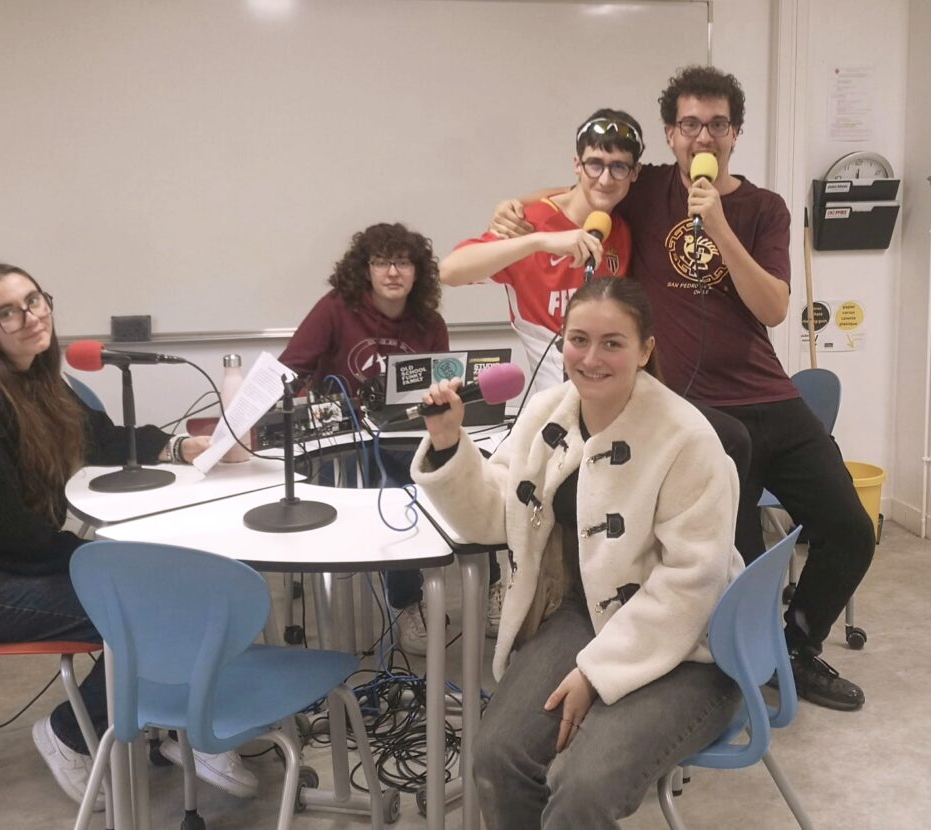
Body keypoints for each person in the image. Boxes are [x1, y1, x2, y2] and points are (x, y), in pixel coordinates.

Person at [489, 65, 874, 711]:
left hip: (769, 395)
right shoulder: (647, 191)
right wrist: (515, 208)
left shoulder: (764, 209)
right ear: (670, 134)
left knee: (852, 529)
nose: (703, 136)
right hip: (695, 413)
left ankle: (795, 648)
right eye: (690, 124)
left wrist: (719, 225)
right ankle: (734, 661)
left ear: (735, 133)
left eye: (717, 125)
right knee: (734, 557)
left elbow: (774, 307)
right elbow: (586, 189)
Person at [0, 264, 257, 809]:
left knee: (178, 588)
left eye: (34, 300)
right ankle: (72, 732)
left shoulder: (39, 379)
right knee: (152, 606)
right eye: (8, 313)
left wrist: (175, 447)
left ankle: (177, 725)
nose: (31, 317)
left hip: (11, 561)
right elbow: (3, 535)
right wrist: (100, 562)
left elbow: (102, 439)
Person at [411, 277, 743, 828]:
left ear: (645, 350)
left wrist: (594, 672)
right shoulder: (549, 411)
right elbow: (499, 513)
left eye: (612, 343)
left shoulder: (688, 438)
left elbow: (692, 583)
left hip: (695, 646)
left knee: (582, 788)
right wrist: (449, 443)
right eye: (578, 340)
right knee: (497, 756)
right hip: (587, 612)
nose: (590, 359)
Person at [279, 222, 505, 654]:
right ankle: (407, 602)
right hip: (346, 438)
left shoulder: (429, 322)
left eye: (403, 262)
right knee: (393, 493)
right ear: (365, 269)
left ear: (418, 272)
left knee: (467, 475)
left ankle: (493, 586)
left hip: (408, 432)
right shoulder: (335, 309)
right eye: (382, 262)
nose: (393, 272)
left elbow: (441, 392)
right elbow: (290, 368)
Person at [440, 109, 641, 395]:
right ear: (577, 165)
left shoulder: (624, 227)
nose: (606, 180)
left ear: (634, 173)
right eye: (595, 165)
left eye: (619, 167)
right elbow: (450, 271)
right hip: (554, 405)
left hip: (614, 397)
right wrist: (539, 241)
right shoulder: (528, 223)